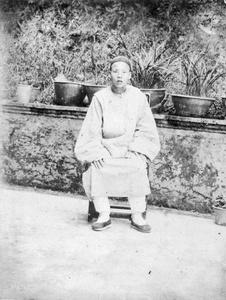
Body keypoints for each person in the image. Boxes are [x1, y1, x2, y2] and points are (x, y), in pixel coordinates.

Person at [74, 56, 160, 233]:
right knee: (98, 165)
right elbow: (92, 130)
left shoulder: (138, 97)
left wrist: (136, 150)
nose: (119, 76)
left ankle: (137, 215)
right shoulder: (100, 98)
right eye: (115, 71)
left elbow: (146, 129)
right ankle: (104, 214)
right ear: (110, 74)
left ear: (130, 75)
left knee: (137, 166)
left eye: (124, 72)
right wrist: (97, 152)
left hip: (130, 149)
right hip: (106, 149)